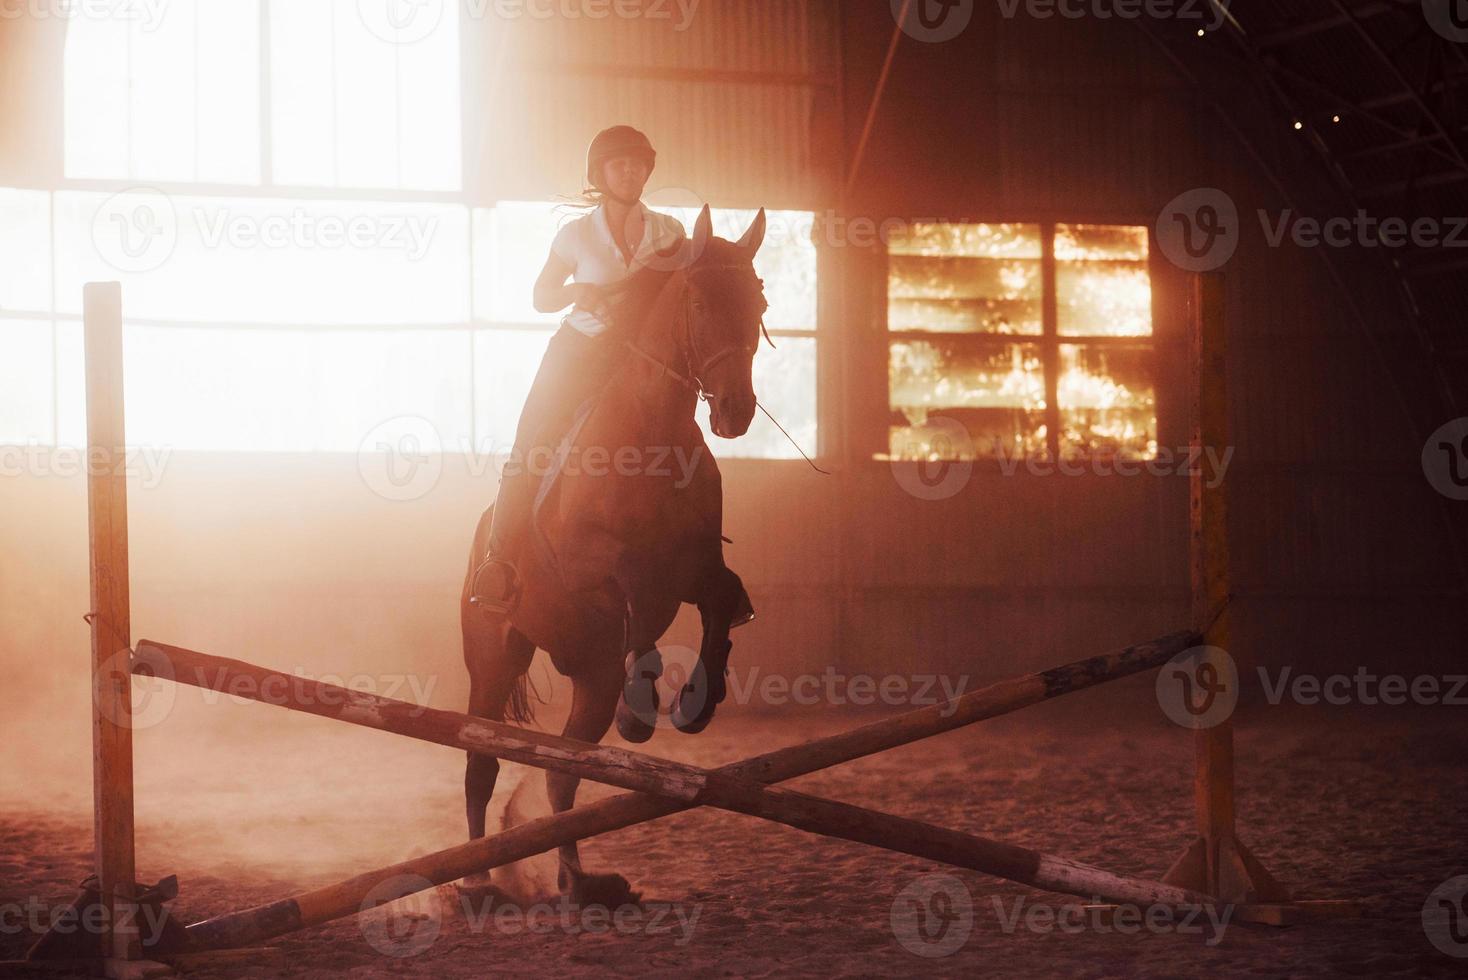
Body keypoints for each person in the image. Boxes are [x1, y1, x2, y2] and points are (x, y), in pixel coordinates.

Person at [470, 125, 687, 615]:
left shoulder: (669, 232)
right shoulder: (575, 235)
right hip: (578, 353)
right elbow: (540, 296)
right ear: (601, 174)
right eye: (619, 165)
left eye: (637, 164)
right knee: (531, 443)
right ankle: (498, 561)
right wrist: (575, 293)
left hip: (638, 359)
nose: (630, 172)